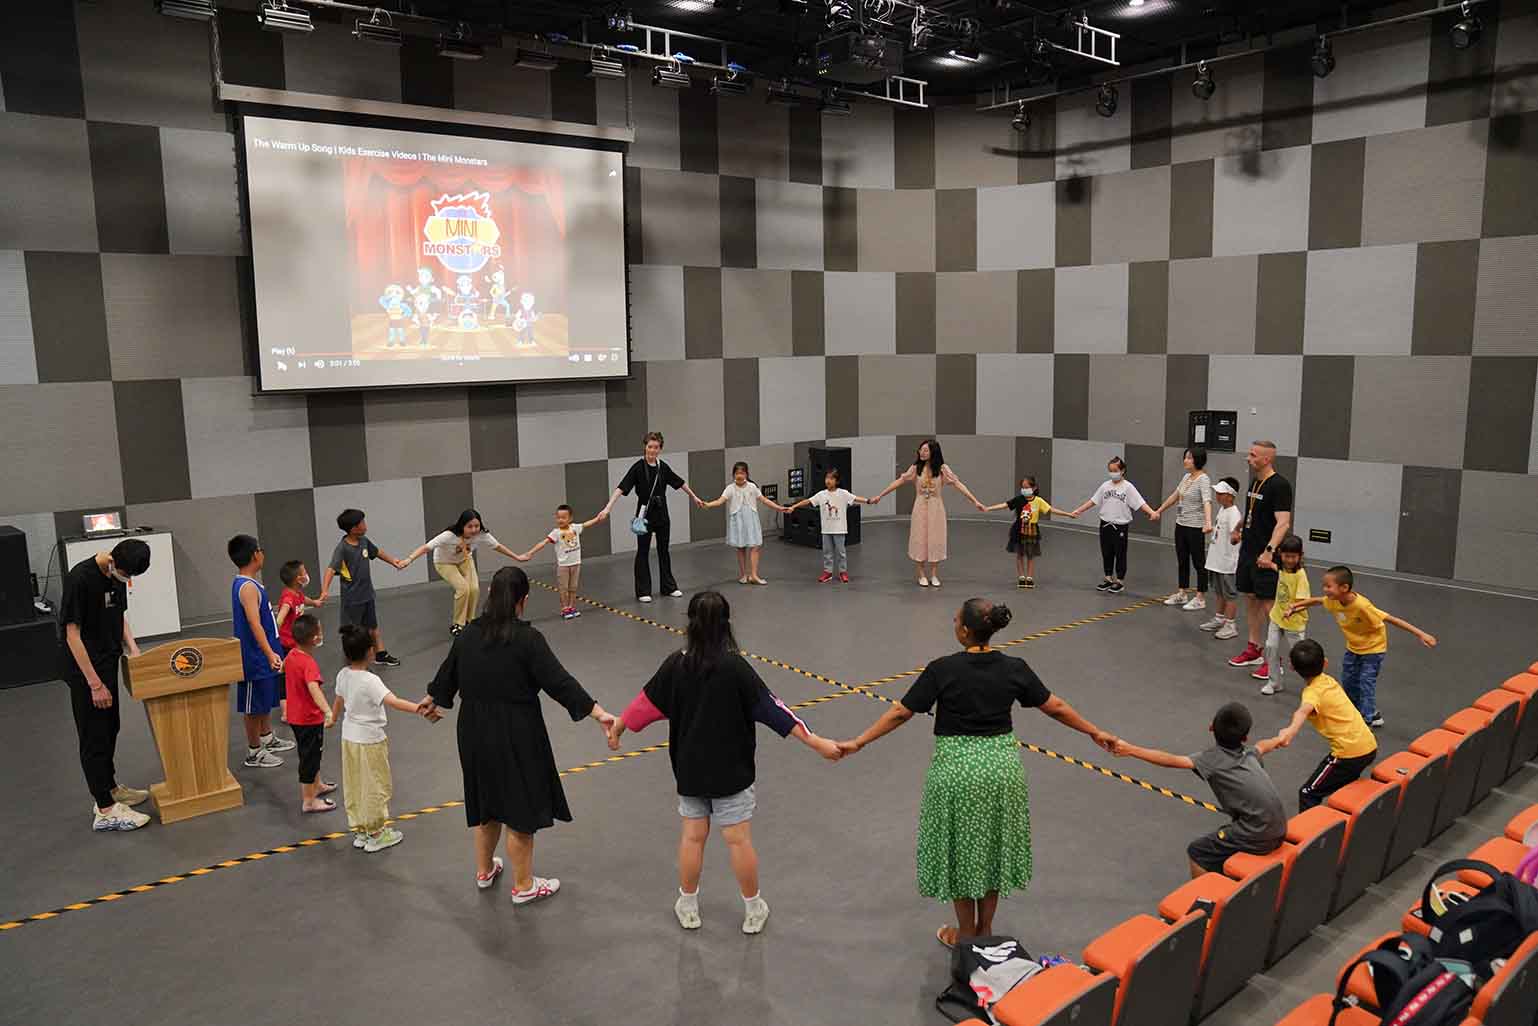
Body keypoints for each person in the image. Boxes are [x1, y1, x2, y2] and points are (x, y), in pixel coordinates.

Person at [837, 598, 1118, 948]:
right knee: (991, 849)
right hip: (1001, 770)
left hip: (957, 772)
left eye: (956, 620)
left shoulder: (942, 669)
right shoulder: (1014, 667)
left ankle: (966, 932)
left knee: (960, 851)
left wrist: (859, 741)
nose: (953, 622)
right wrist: (1094, 731)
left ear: (965, 631)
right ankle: (985, 929)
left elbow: (900, 713)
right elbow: (1055, 706)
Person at [608, 591, 842, 933]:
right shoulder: (736, 668)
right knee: (738, 840)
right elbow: (774, 710)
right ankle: (753, 908)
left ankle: (688, 904)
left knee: (692, 837)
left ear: (689, 624)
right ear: (726, 624)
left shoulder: (675, 665)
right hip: (732, 772)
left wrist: (618, 727)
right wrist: (817, 742)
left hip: (690, 771)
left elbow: (644, 705)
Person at [421, 567, 617, 903]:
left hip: (473, 730)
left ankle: (485, 870)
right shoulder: (528, 640)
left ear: (489, 594)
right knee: (520, 806)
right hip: (516, 729)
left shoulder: (467, 635)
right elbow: (559, 682)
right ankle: (524, 886)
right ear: (522, 600)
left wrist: (432, 698)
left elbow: (446, 676)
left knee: (486, 801)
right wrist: (598, 712)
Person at [1112, 702, 1287, 878]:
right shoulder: (1250, 753)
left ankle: (1205, 895)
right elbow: (1264, 745)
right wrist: (1281, 738)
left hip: (1258, 834)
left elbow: (1170, 760)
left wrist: (1131, 750)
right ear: (1245, 738)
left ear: (1211, 727)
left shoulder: (1211, 760)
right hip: (1279, 828)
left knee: (1198, 852)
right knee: (1222, 841)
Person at [60, 538, 153, 832]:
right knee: (94, 736)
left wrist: (134, 651)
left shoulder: (117, 575)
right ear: (112, 561)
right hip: (86, 670)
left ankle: (111, 788)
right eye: (126, 574)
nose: (127, 580)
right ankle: (105, 809)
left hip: (108, 661)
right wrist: (94, 684)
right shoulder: (80, 579)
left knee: (111, 727)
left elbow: (119, 615)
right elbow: (72, 634)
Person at [1285, 566, 1437, 728]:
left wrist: (1421, 634)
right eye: (1324, 586)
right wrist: (1295, 607)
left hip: (1373, 649)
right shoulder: (1333, 601)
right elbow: (1317, 601)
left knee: (1366, 682)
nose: (1325, 590)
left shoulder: (1362, 606)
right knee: (1348, 680)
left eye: (1328, 586)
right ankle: (1362, 711)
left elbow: (1391, 619)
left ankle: (1367, 718)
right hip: (1353, 647)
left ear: (1344, 588)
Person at [334, 624, 425, 853]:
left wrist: (332, 718)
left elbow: (338, 700)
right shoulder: (370, 681)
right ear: (370, 651)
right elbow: (393, 701)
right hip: (370, 740)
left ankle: (361, 829)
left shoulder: (343, 675)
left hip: (349, 738)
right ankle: (376, 833)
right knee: (375, 784)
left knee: (355, 783)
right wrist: (419, 709)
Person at [1263, 640, 1378, 811]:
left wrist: (1289, 731)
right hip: (1369, 745)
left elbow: (1302, 711)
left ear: (1292, 667)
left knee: (1308, 793)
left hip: (1348, 754)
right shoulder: (1328, 681)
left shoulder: (1312, 693)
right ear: (1325, 663)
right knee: (1342, 786)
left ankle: (1311, 828)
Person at [601, 431, 705, 603]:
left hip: (662, 513)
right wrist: (607, 508)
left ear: (660, 449)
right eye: (650, 446)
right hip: (643, 515)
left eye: (656, 447)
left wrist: (694, 497)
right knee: (643, 551)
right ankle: (643, 591)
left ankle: (668, 587)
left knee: (664, 550)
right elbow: (621, 488)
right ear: (645, 447)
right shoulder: (637, 467)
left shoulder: (663, 467)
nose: (652, 450)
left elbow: (680, 483)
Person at [869, 439, 987, 588]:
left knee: (935, 539)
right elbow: (899, 481)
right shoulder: (916, 468)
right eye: (921, 450)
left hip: (936, 508)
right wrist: (880, 495)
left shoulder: (943, 469)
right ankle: (921, 574)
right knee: (919, 538)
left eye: (925, 450)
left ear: (933, 452)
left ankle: (934, 574)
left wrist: (975, 501)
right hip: (920, 507)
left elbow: (958, 484)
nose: (922, 453)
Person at [401, 508, 526, 635]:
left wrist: (517, 557)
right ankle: (458, 624)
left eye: (477, 526)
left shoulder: (482, 534)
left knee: (474, 589)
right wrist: (409, 559)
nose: (474, 530)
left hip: (465, 560)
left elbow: (497, 546)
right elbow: (426, 547)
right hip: (444, 563)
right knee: (463, 588)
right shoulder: (449, 536)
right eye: (469, 526)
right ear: (462, 526)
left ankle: (470, 621)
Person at [228, 534, 295, 769]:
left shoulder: (252, 584)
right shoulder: (247, 587)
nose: (263, 553)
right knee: (253, 705)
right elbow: (254, 623)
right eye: (260, 550)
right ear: (255, 555)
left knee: (264, 699)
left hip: (264, 654)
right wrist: (268, 653)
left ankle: (266, 737)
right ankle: (254, 751)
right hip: (254, 657)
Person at [1227, 441, 1293, 676]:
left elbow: (1283, 523)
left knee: (1268, 606)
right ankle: (1254, 648)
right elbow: (1251, 512)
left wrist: (1269, 550)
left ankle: (1274, 659)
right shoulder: (1255, 481)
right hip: (1248, 551)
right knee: (1251, 599)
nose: (1248, 458)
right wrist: (1238, 529)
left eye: (1253, 455)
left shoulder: (1280, 485)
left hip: (1265, 554)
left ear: (1267, 459)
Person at [319, 508, 406, 667]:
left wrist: (393, 561)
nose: (365, 525)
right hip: (352, 599)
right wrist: (325, 590)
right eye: (362, 523)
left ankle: (380, 654)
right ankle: (352, 659)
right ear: (354, 528)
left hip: (367, 595)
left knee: (373, 627)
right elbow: (331, 569)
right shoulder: (343, 548)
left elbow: (377, 552)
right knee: (351, 631)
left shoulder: (364, 541)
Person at [1068, 456, 1160, 594]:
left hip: (1120, 526)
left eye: (1115, 470)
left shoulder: (1128, 487)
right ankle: (1108, 578)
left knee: (1120, 553)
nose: (1113, 473)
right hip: (1105, 524)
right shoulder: (1105, 486)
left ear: (1122, 471)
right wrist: (1079, 510)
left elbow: (1140, 502)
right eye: (1110, 470)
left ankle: (1120, 581)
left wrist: (1151, 512)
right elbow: (1093, 501)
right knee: (1107, 552)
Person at [698, 462, 788, 586]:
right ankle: (744, 575)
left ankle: (754, 575)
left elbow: (764, 500)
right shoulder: (730, 488)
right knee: (741, 547)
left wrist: (779, 508)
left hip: (751, 519)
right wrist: (708, 504)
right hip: (738, 520)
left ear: (746, 474)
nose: (739, 475)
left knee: (755, 545)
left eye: (742, 473)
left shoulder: (752, 487)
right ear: (733, 475)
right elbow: (720, 501)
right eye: (737, 473)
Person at [283, 614, 337, 813]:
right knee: (310, 758)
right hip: (308, 719)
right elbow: (314, 689)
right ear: (315, 639)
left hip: (295, 716)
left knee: (312, 753)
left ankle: (317, 785)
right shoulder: (309, 664)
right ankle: (309, 800)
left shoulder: (292, 655)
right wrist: (328, 711)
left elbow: (283, 667)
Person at [981, 474, 1076, 589]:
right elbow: (1005, 505)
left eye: (1026, 487)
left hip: (1032, 530)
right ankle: (1021, 577)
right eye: (1023, 487)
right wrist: (988, 508)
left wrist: (1068, 514)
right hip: (1018, 529)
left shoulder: (1039, 501)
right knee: (1020, 554)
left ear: (1034, 488)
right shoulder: (1019, 499)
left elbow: (1051, 509)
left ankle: (1029, 577)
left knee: (1030, 555)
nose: (1024, 489)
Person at [515, 504, 608, 619]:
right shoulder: (556, 533)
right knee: (563, 588)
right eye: (558, 517)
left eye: (563, 517)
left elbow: (586, 524)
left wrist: (598, 518)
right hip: (564, 566)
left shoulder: (575, 528)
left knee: (573, 587)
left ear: (570, 518)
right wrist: (530, 553)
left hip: (576, 563)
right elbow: (543, 543)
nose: (560, 520)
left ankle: (572, 607)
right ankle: (565, 609)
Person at [1153, 447, 1214, 611]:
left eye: (1189, 458)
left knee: (1199, 562)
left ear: (1197, 460)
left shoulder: (1203, 479)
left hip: (1195, 527)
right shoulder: (1186, 477)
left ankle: (1200, 597)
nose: (1185, 460)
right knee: (1182, 560)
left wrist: (1208, 522)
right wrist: (1159, 510)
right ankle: (1182, 593)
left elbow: (1207, 501)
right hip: (1181, 525)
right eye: (1185, 457)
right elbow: (1175, 496)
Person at [785, 468, 868, 584]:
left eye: (831, 478)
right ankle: (828, 572)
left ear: (837, 481)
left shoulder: (843, 493)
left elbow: (855, 498)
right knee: (827, 552)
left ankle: (843, 572)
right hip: (826, 529)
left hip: (839, 529)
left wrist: (869, 501)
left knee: (841, 552)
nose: (828, 481)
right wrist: (794, 507)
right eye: (827, 478)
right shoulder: (821, 495)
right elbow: (808, 501)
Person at [1258, 535, 1309, 695]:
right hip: (1277, 617)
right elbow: (1278, 570)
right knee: (1271, 647)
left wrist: (1292, 609)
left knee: (1301, 657)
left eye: (1293, 557)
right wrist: (1268, 564)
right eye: (1286, 556)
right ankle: (1274, 682)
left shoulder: (1301, 576)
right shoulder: (1282, 568)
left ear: (1300, 555)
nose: (1289, 560)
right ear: (1281, 554)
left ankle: (1313, 686)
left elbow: (1304, 602)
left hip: (1294, 623)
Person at [1199, 479, 1244, 639]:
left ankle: (1230, 625)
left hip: (1227, 563)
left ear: (1230, 496)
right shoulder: (1222, 510)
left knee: (1230, 594)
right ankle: (1219, 618)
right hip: (1216, 560)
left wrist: (1236, 538)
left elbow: (1236, 535)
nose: (1217, 496)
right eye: (1217, 493)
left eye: (1221, 493)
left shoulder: (1233, 513)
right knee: (1219, 591)